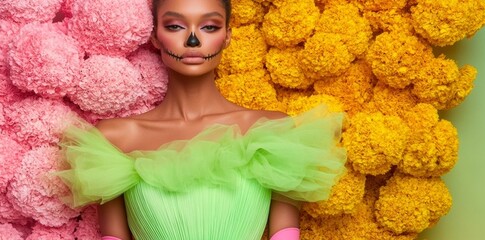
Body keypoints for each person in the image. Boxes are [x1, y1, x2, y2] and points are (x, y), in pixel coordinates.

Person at [56, 0, 347, 239]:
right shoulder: (115, 139)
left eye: (209, 26)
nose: (193, 39)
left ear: (228, 36)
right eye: (175, 26)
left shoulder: (271, 132)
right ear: (156, 37)